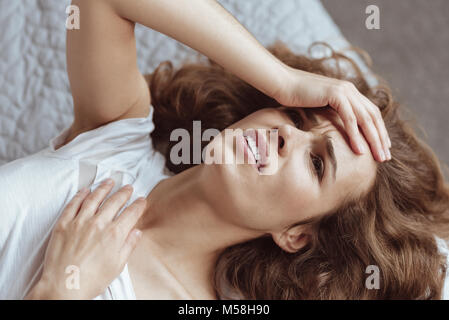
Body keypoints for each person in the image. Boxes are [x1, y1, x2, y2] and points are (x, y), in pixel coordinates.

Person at [1, 0, 447, 299]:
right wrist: (283, 80)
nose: (285, 136)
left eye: (316, 163)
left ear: (296, 235)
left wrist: (60, 290)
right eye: (295, 117)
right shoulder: (117, 139)